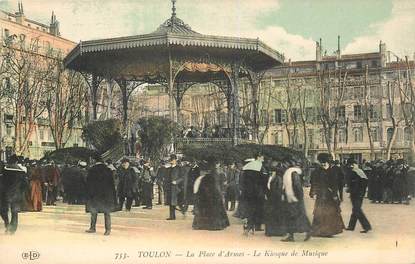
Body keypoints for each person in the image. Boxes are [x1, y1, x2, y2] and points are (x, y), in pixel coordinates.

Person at [309, 153, 344, 237]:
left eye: (325, 162)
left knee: (330, 213)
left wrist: (336, 194)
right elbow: (314, 183)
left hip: (330, 196)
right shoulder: (316, 172)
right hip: (321, 195)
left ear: (329, 162)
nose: (323, 164)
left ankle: (329, 231)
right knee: (319, 212)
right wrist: (313, 192)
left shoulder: (333, 172)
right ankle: (318, 231)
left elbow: (337, 184)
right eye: (321, 162)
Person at [192, 160, 229, 230]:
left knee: (205, 208)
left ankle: (204, 224)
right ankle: (215, 224)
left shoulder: (206, 176)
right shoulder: (216, 174)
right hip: (214, 195)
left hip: (208, 195)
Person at [85, 157, 117, 236]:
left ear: (95, 161)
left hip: (95, 194)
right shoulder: (108, 170)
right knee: (107, 212)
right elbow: (112, 184)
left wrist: (89, 194)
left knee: (94, 212)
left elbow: (88, 184)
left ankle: (92, 228)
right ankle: (107, 230)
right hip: (106, 194)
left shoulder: (92, 170)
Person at [281, 162, 311, 242]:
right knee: (293, 216)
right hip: (292, 197)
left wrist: (298, 198)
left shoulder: (292, 173)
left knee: (296, 216)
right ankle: (292, 235)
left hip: (294, 198)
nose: (283, 165)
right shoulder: (291, 173)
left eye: (285, 163)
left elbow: (297, 186)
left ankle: (308, 231)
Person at [240, 153, 267, 234]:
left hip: (247, 192)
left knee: (249, 209)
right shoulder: (261, 166)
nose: (263, 159)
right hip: (257, 192)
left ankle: (248, 226)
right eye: (262, 157)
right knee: (257, 209)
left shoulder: (247, 166)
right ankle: (254, 226)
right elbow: (264, 180)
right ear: (258, 157)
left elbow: (242, 180)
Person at [0, 154, 28, 234]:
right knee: (14, 212)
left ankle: (7, 224)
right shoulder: (22, 171)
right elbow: (25, 184)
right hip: (17, 194)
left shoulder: (4, 170)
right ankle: (12, 229)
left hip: (5, 193)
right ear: (16, 161)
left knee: (3, 210)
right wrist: (22, 192)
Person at [345, 158, 372, 233]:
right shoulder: (357, 172)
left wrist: (359, 193)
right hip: (356, 193)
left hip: (358, 194)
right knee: (355, 209)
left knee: (357, 210)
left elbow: (361, 184)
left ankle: (366, 226)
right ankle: (351, 226)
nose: (350, 166)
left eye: (351, 165)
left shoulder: (357, 172)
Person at [264, 162, 287, 237]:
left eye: (272, 171)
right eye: (270, 171)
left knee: (276, 214)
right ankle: (271, 231)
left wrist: (274, 195)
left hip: (276, 199)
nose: (271, 172)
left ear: (276, 172)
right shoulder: (271, 178)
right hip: (272, 198)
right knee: (271, 214)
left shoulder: (278, 179)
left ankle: (277, 232)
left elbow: (279, 189)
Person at [165, 154, 184, 220]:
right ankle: (172, 216)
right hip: (170, 187)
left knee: (176, 202)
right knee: (171, 202)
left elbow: (182, 177)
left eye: (173, 160)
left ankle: (182, 211)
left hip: (176, 187)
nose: (172, 161)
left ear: (176, 160)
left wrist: (176, 182)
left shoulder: (179, 168)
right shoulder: (168, 169)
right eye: (171, 160)